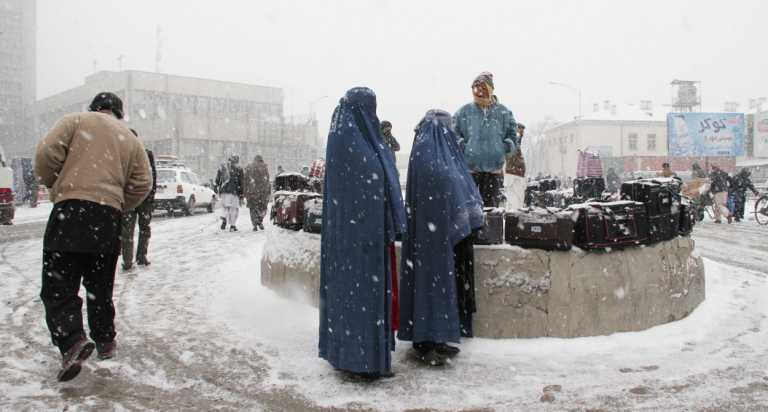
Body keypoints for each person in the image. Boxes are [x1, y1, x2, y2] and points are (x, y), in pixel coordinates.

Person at [34, 92, 151, 381]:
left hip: (70, 210)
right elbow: (143, 182)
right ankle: (105, 340)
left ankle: (72, 340)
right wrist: (120, 203)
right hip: (108, 217)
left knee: (59, 285)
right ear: (119, 113)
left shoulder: (75, 121)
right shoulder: (130, 138)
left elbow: (45, 155)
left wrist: (58, 184)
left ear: (94, 108)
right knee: (100, 286)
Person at [318, 87, 406, 380]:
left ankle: (345, 354)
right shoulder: (363, 149)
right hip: (365, 246)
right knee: (364, 302)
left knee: (347, 300)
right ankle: (364, 360)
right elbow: (375, 185)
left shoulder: (340, 139)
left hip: (343, 244)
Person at [398, 109, 484, 366]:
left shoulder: (433, 151)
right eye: (448, 127)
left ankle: (436, 337)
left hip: (431, 235)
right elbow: (450, 185)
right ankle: (426, 340)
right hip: (432, 235)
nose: (452, 132)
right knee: (431, 287)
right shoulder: (433, 155)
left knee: (433, 287)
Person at [454, 72, 517, 207]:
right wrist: (462, 147)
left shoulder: (503, 112)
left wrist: (503, 148)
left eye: (482, 87)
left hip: (494, 171)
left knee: (491, 211)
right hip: (470, 170)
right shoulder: (464, 112)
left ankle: (490, 228)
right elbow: (453, 133)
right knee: (468, 209)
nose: (478, 91)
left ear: (490, 89)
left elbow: (513, 134)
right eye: (475, 88)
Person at [120, 129, 157, 270]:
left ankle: (141, 256)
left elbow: (153, 176)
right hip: (129, 199)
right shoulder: (121, 155)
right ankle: (128, 261)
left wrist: (151, 196)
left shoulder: (146, 154)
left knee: (143, 229)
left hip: (143, 198)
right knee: (127, 231)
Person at [215, 155, 244, 231]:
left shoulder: (223, 167)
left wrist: (217, 187)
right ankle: (232, 226)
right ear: (237, 161)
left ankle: (224, 216)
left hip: (224, 191)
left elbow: (217, 179)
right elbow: (241, 182)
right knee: (234, 209)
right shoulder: (239, 169)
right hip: (234, 192)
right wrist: (241, 194)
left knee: (225, 207)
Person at [244, 155, 270, 231]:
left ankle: (254, 224)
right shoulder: (264, 167)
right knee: (262, 208)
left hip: (251, 192)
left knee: (252, 209)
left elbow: (245, 180)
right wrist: (268, 191)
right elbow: (267, 180)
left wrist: (245, 192)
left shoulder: (249, 167)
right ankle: (260, 220)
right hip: (262, 192)